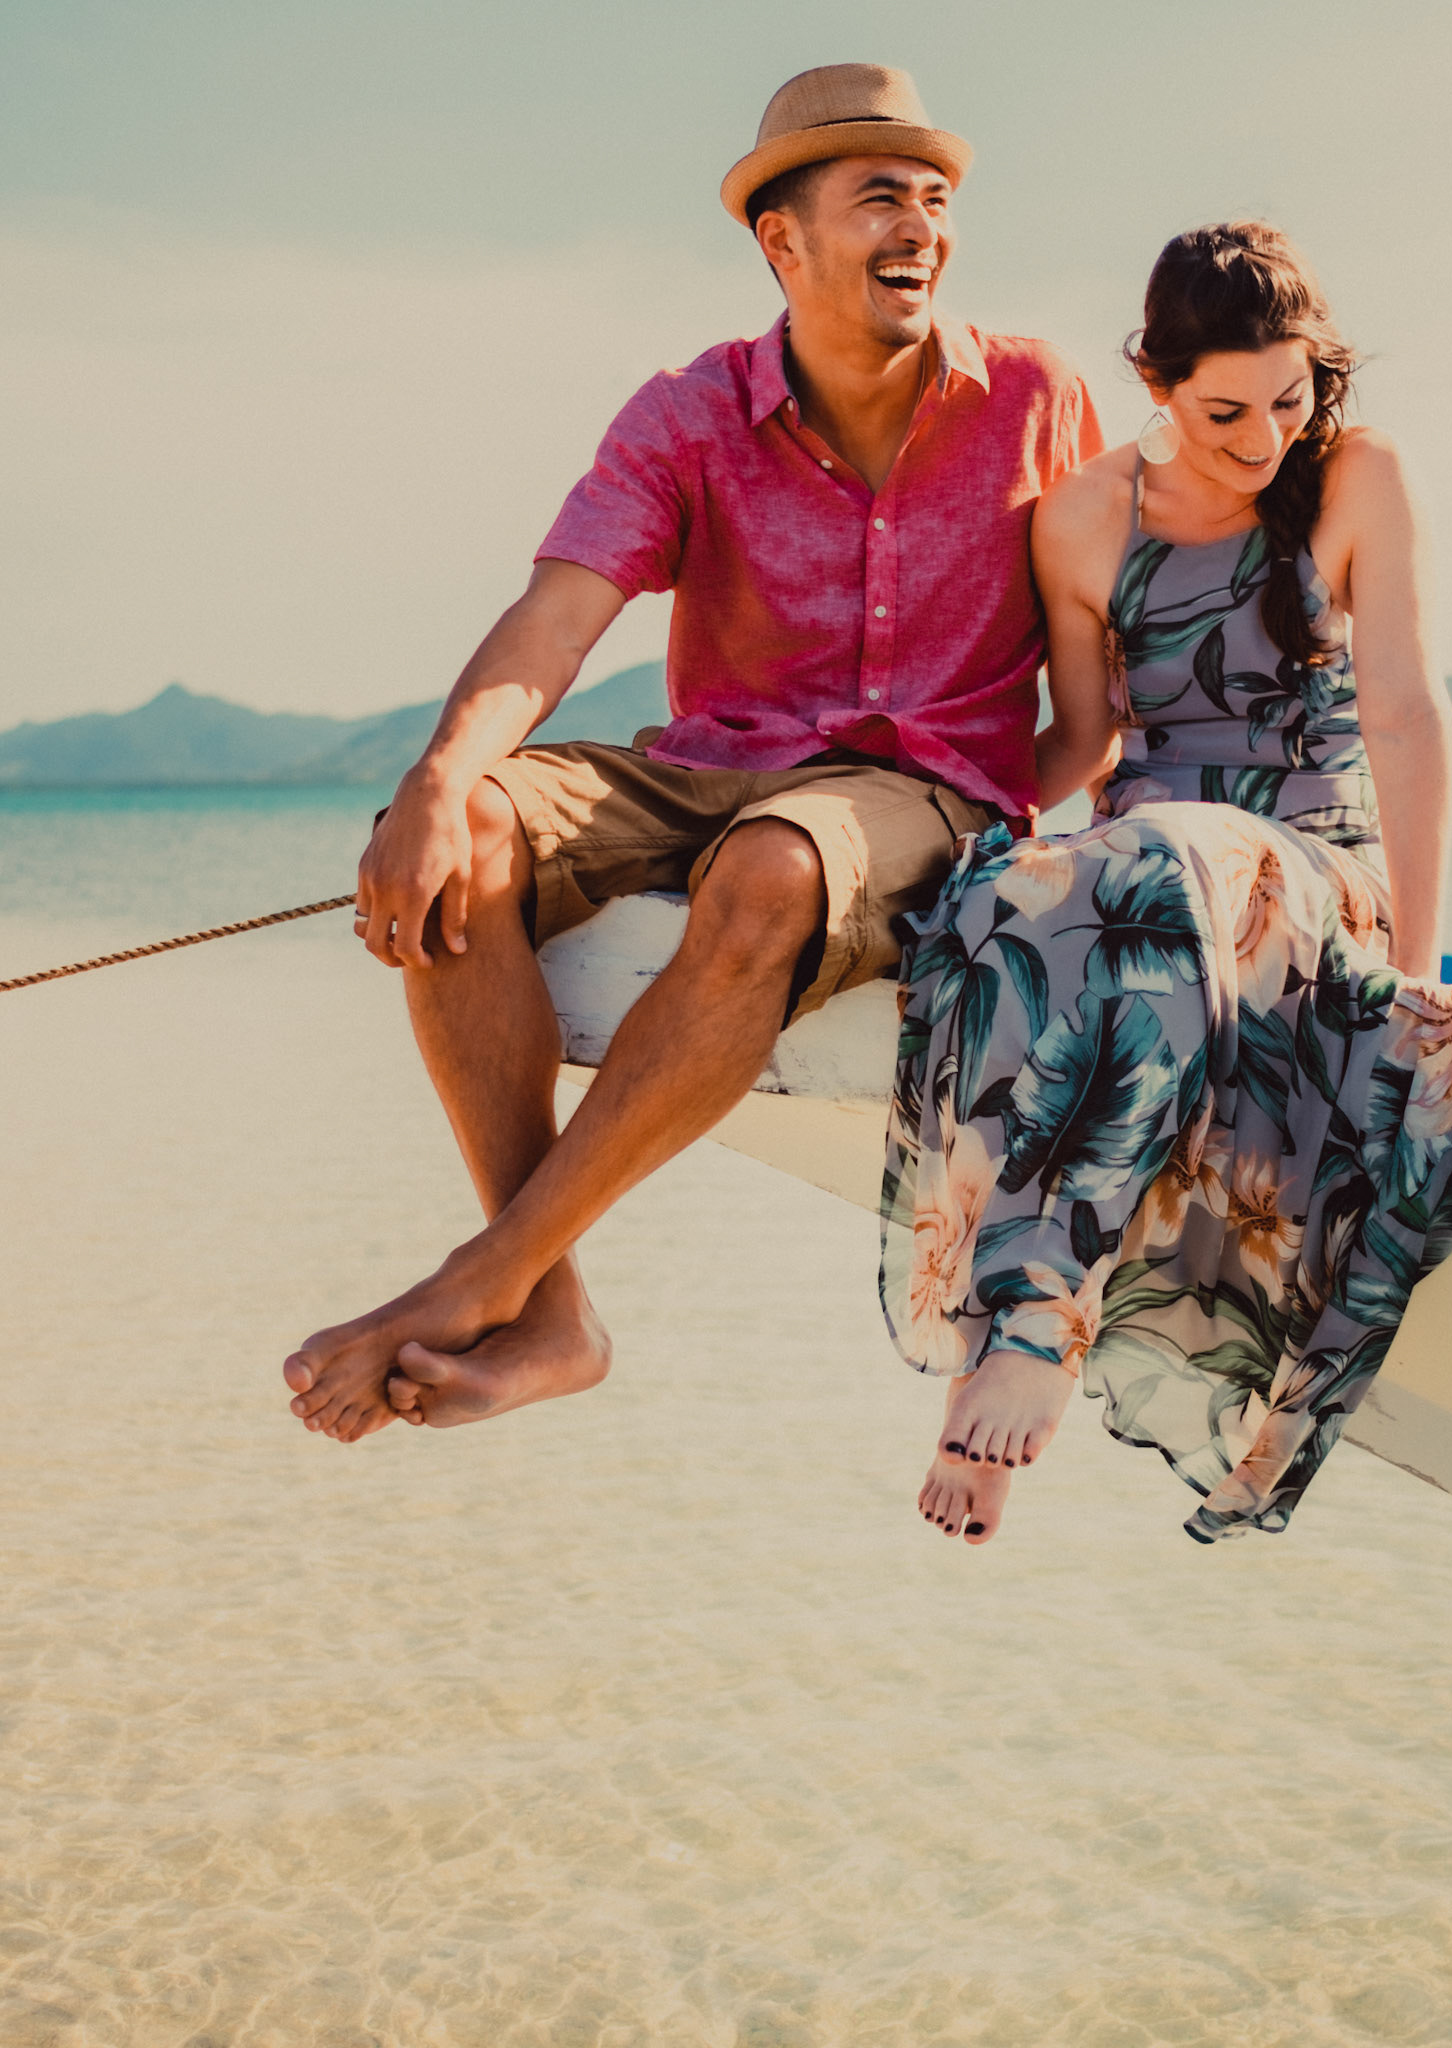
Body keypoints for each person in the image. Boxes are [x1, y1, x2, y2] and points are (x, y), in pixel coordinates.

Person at [283, 64, 1102, 1442]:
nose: (920, 225)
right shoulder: (687, 411)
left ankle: (483, 1276)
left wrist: (1055, 813)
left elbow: (1111, 652)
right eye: (880, 198)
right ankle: (551, 1307)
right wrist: (433, 782)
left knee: (771, 869)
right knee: (464, 830)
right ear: (782, 239)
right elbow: (556, 618)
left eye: (934, 198)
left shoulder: (1036, 395)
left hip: (921, 789)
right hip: (708, 764)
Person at [882, 221, 1452, 1547]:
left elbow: (1407, 716)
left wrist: (1416, 969)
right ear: (1156, 383)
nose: (1263, 438)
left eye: (1287, 400)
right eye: (1225, 411)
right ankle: (998, 1335)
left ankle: (1038, 1323)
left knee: (1175, 856)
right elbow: (1082, 745)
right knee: (1004, 899)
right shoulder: (1080, 518)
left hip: (1316, 876)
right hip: (1157, 877)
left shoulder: (1357, 476)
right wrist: (941, 822)